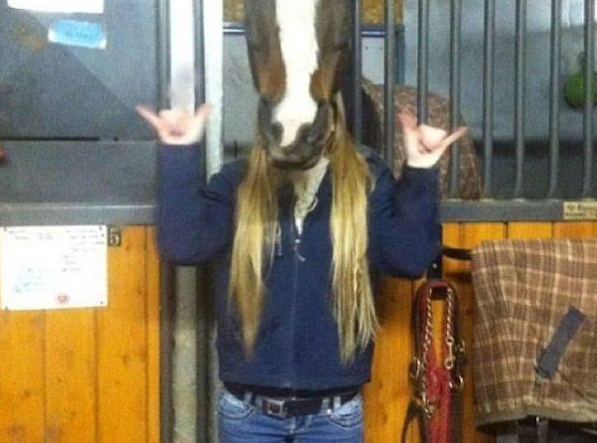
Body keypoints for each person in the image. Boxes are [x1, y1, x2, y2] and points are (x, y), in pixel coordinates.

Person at [138, 102, 466, 443]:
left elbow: (409, 259)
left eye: (308, 113)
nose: (296, 125)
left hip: (333, 415)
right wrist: (179, 153)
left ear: (332, 121)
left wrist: (421, 170)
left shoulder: (366, 182)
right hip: (248, 413)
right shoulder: (238, 181)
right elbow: (183, 245)